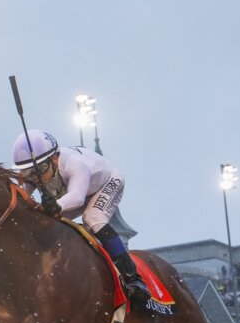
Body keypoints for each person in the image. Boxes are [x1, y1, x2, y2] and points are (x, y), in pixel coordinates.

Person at [11, 129, 149, 304]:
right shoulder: (41, 169)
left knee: (93, 219)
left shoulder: (74, 164)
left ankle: (133, 277)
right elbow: (20, 197)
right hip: (75, 191)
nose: (35, 178)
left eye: (39, 170)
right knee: (47, 222)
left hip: (105, 184)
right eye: (28, 172)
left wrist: (56, 205)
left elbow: (76, 196)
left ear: (55, 158)